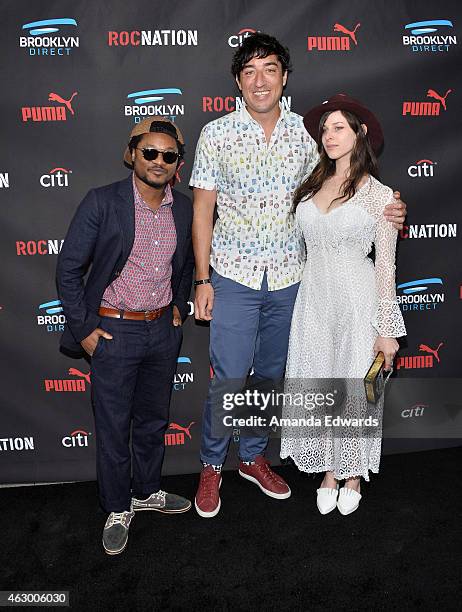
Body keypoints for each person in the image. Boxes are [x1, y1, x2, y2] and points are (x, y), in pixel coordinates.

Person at [190, 33, 406, 518]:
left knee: (269, 377)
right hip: (234, 275)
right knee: (228, 376)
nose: (259, 80)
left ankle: (252, 457)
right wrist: (202, 280)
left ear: (285, 78)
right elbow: (202, 212)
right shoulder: (215, 135)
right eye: (249, 72)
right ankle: (210, 465)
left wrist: (389, 208)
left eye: (269, 69)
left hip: (292, 280)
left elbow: (349, 184)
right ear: (237, 83)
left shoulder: (306, 137)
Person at [56, 117, 194, 554]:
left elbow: (187, 265)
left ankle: (146, 491)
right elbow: (68, 270)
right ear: (132, 153)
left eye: (168, 155)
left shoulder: (185, 207)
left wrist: (178, 307)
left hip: (161, 331)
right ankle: (118, 506)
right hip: (112, 332)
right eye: (149, 152)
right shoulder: (103, 202)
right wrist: (85, 331)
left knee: (153, 422)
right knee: (115, 429)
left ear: (177, 164)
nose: (158, 161)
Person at [280, 94, 406, 515]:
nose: (329, 135)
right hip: (314, 298)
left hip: (357, 297)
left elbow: (386, 265)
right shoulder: (312, 183)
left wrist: (386, 329)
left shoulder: (381, 196)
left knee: (355, 385)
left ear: (360, 133)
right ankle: (329, 470)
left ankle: (352, 472)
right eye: (325, 129)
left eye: (339, 127)